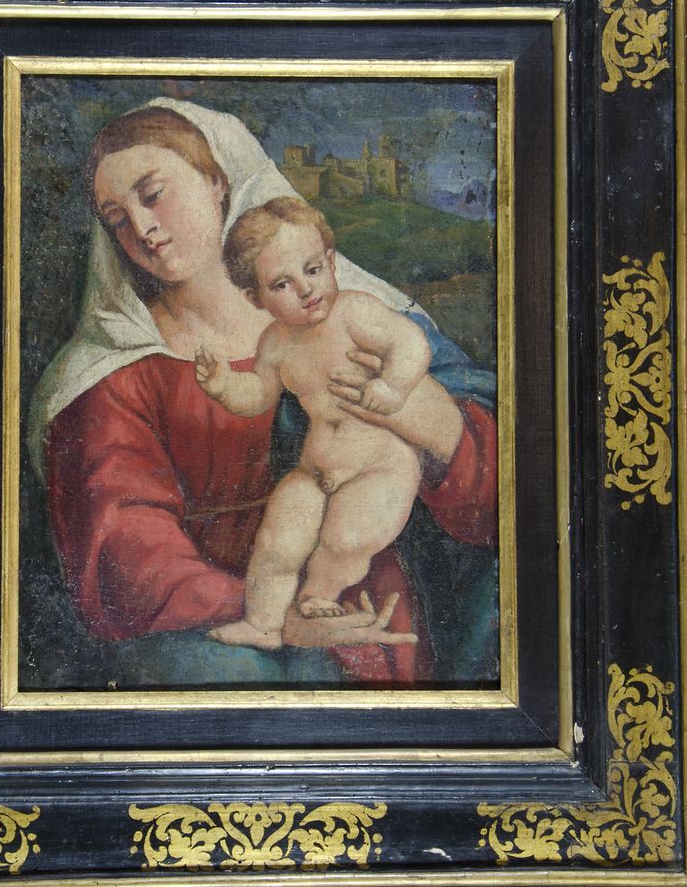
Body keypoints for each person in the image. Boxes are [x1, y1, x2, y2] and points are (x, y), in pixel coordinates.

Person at [29, 97, 498, 686]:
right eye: (118, 218)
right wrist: (270, 612)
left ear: (216, 182)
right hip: (214, 628)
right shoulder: (110, 375)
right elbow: (126, 551)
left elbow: (506, 493)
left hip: (362, 603)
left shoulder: (354, 316)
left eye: (153, 194)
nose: (142, 229)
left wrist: (432, 419)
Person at [197, 196, 449, 649]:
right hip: (314, 471)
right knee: (276, 542)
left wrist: (393, 387)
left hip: (380, 468)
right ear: (255, 298)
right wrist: (223, 386)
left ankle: (318, 595)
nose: (305, 289)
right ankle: (263, 623)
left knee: (345, 539)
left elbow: (411, 343)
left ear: (331, 262)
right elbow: (259, 395)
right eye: (282, 284)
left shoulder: (354, 312)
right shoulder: (275, 343)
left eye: (312, 270)